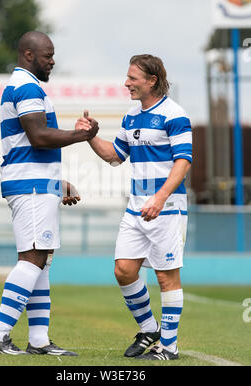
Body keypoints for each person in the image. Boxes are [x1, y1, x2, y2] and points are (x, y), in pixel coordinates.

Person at [0, 31, 98, 355]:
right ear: (28, 55)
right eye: (48, 54)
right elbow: (38, 137)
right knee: (33, 259)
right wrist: (81, 135)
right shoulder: (27, 86)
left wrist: (56, 183)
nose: (53, 60)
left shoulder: (25, 86)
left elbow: (31, 144)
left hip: (35, 183)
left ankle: (39, 341)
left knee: (41, 260)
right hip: (29, 185)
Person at [80, 55, 192, 360]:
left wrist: (160, 197)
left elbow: (183, 161)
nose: (126, 83)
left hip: (166, 207)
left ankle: (169, 347)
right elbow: (115, 155)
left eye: (132, 78)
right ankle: (149, 329)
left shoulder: (175, 114)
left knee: (167, 277)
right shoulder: (130, 117)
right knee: (124, 270)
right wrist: (90, 136)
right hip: (136, 207)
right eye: (127, 78)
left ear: (152, 80)